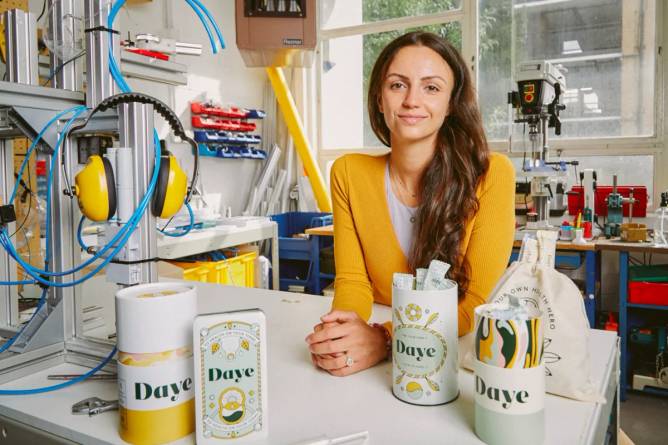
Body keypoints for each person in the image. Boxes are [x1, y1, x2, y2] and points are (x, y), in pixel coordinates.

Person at [305, 31, 515, 377]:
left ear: (451, 104)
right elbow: (353, 282)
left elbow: (476, 304)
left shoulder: (492, 174)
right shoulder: (348, 172)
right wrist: (341, 333)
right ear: (378, 97)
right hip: (385, 364)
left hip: (453, 362)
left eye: (431, 88)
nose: (411, 101)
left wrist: (385, 339)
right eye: (397, 85)